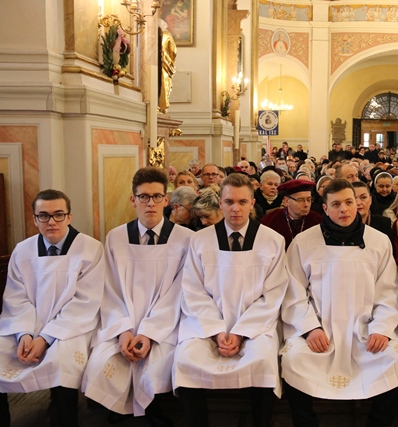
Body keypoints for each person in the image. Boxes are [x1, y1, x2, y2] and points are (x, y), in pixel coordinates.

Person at [281, 178, 398, 427]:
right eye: (336, 204)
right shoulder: (303, 243)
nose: (344, 209)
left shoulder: (378, 241)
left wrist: (381, 328)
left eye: (349, 202)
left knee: (395, 359)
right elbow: (293, 293)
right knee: (293, 359)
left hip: (365, 330)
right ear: (325, 208)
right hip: (321, 331)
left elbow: (388, 292)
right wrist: (309, 328)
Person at [173, 174, 288, 427]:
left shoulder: (272, 241)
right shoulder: (200, 241)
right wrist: (216, 331)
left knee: (263, 360)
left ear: (252, 203)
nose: (235, 208)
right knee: (186, 359)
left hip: (255, 326)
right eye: (229, 202)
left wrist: (241, 332)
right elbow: (193, 290)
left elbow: (273, 294)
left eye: (242, 202)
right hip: (207, 325)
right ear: (220, 204)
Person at [83, 167, 192, 426]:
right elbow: (109, 289)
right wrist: (123, 330)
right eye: (144, 197)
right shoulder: (116, 237)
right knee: (101, 362)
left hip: (166, 326)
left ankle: (151, 410)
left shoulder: (186, 239)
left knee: (158, 363)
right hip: (122, 321)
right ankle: (119, 408)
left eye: (156, 197)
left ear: (167, 200)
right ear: (133, 200)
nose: (150, 203)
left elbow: (179, 292)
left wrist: (149, 332)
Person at [0, 190, 105, 427]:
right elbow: (16, 298)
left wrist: (45, 338)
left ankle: (64, 419)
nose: (52, 222)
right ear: (35, 219)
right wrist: (25, 334)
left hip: (71, 327)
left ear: (69, 216)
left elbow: (85, 302)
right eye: (44, 216)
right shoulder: (22, 251)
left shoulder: (90, 249)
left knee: (62, 362)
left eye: (59, 215)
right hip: (26, 325)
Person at [260, 179, 322, 249]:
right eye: (300, 200)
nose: (306, 204)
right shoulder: (269, 221)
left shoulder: (318, 221)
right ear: (286, 201)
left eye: (309, 199)